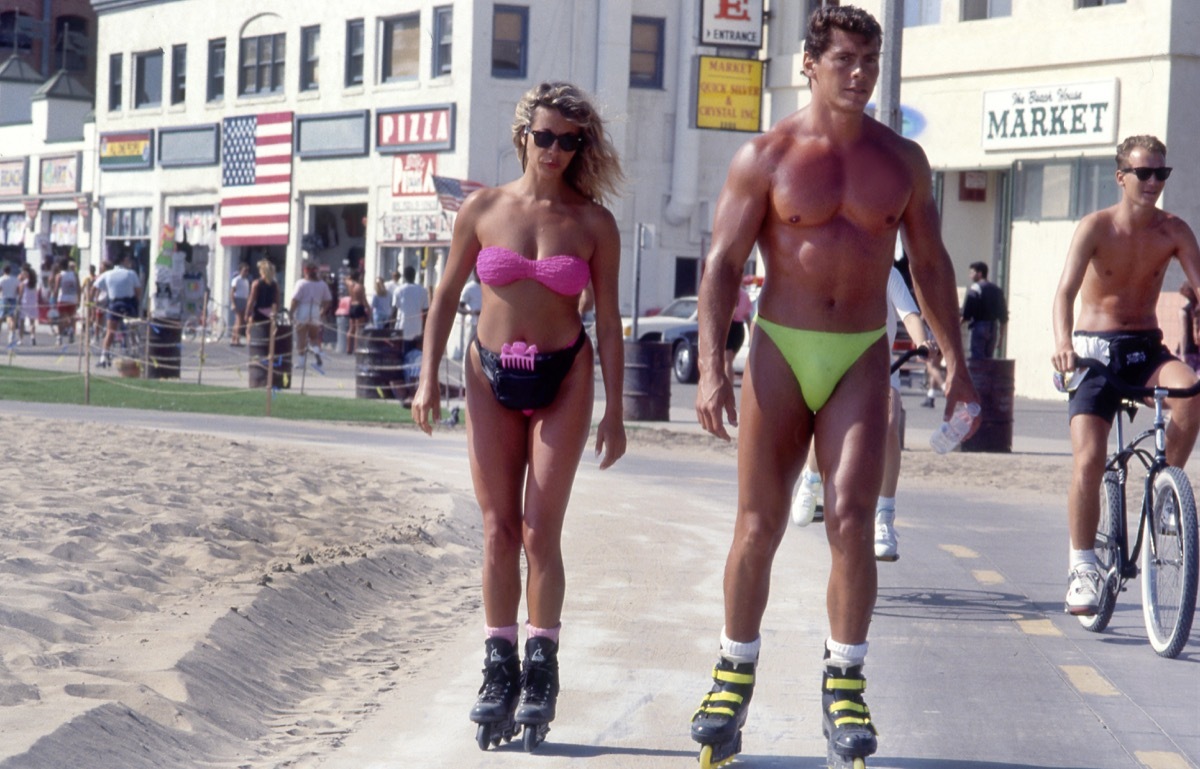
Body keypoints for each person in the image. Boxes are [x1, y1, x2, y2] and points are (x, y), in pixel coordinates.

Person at [688, 7, 977, 768]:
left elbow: (933, 265)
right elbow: (720, 264)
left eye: (870, 59)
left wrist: (958, 360)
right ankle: (731, 675)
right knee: (760, 523)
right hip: (781, 349)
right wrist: (714, 365)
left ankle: (844, 678)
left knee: (852, 517)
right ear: (808, 65)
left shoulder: (903, 161)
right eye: (845, 58)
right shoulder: (766, 155)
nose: (859, 72)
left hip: (860, 352)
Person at [411, 81, 626, 748]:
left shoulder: (594, 223)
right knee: (498, 529)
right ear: (522, 135)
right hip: (486, 370)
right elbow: (445, 298)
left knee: (540, 530)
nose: (556, 149)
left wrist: (616, 409)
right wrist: (427, 380)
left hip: (566, 375)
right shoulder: (482, 208)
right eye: (546, 136)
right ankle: (498, 668)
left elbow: (612, 322)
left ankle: (542, 669)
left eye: (570, 139)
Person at [1051, 134, 1200, 616]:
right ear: (1122, 177)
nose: (1154, 182)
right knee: (1090, 459)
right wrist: (1062, 346)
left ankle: (1163, 494)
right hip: (1093, 351)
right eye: (1145, 173)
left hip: (1144, 347)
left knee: (1190, 394)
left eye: (1162, 173)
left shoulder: (1175, 230)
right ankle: (1081, 567)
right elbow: (1064, 294)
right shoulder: (1095, 227)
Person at [791, 267, 934, 564]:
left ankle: (884, 518)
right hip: (837, 362)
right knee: (825, 417)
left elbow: (908, 313)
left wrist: (921, 341)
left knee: (890, 424)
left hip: (880, 366)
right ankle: (811, 481)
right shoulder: (836, 263)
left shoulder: (887, 273)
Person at [94, 255, 143, 368]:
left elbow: (94, 286)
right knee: (132, 330)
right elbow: (138, 291)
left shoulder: (108, 274)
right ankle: (135, 353)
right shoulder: (131, 273)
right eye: (128, 260)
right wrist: (136, 302)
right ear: (123, 262)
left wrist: (95, 301)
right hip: (129, 303)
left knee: (110, 331)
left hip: (114, 303)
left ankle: (103, 357)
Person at [961, 261, 1008, 359]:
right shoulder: (997, 290)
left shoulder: (975, 289)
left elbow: (967, 313)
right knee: (988, 359)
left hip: (979, 327)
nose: (970, 276)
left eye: (972, 273)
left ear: (979, 273)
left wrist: (957, 326)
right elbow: (1003, 316)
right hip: (993, 328)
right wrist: (1001, 338)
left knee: (977, 358)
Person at [290, 262, 333, 369]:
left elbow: (295, 299)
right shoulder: (322, 284)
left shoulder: (301, 283)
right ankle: (317, 353)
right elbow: (328, 300)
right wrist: (323, 311)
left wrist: (291, 312)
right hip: (315, 309)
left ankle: (301, 362)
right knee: (313, 337)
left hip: (303, 309)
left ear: (305, 272)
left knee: (301, 337)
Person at [392, 265, 429, 355]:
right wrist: (424, 330)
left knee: (402, 355)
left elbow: (394, 310)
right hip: (417, 328)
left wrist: (392, 327)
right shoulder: (422, 290)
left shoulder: (399, 290)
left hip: (402, 328)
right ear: (414, 275)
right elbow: (425, 312)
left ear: (404, 276)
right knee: (415, 355)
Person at [244, 258, 279, 340]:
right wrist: (275, 312)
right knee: (268, 333)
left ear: (262, 271)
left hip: (258, 310)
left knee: (249, 331)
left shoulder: (256, 283)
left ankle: (252, 348)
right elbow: (277, 300)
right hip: (270, 311)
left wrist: (247, 313)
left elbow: (251, 300)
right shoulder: (275, 284)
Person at [725, 283, 753, 382]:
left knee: (727, 362)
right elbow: (748, 317)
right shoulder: (745, 295)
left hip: (730, 327)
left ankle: (728, 387)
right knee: (728, 361)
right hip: (739, 330)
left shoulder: (727, 292)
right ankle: (729, 387)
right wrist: (751, 334)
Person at [53, 259, 79, 345]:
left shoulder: (59, 276)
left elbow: (56, 289)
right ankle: (71, 330)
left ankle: (59, 336)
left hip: (62, 299)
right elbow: (78, 288)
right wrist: (79, 298)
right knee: (71, 317)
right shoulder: (74, 275)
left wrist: (54, 299)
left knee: (61, 318)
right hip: (72, 299)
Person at [1178, 282, 1200, 373]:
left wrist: (1182, 354)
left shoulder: (1183, 312)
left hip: (1188, 352)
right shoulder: (1197, 311)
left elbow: (1183, 334)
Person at [344, 269, 368, 354]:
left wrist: (351, 276)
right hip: (358, 306)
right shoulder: (360, 286)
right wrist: (368, 308)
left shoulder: (350, 285)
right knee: (358, 329)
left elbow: (346, 278)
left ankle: (348, 348)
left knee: (351, 328)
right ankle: (356, 348)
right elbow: (363, 300)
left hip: (352, 306)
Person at [230, 263, 251, 346]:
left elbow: (247, 293)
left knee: (240, 321)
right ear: (240, 271)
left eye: (247, 271)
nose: (246, 272)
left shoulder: (246, 281)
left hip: (244, 300)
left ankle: (234, 338)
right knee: (239, 320)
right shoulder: (236, 280)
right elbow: (232, 292)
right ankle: (237, 340)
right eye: (244, 271)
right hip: (237, 299)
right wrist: (233, 303)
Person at [18, 264, 39, 346]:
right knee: (32, 322)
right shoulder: (33, 283)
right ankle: (32, 336)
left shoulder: (24, 283)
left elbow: (20, 293)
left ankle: (21, 339)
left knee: (22, 322)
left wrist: (18, 302)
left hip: (24, 303)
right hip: (33, 303)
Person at [0, 264, 19, 346]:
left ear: (3, 271)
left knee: (1, 317)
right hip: (12, 298)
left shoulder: (1, 279)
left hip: (3, 298)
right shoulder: (15, 279)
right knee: (11, 317)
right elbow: (18, 290)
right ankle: (11, 335)